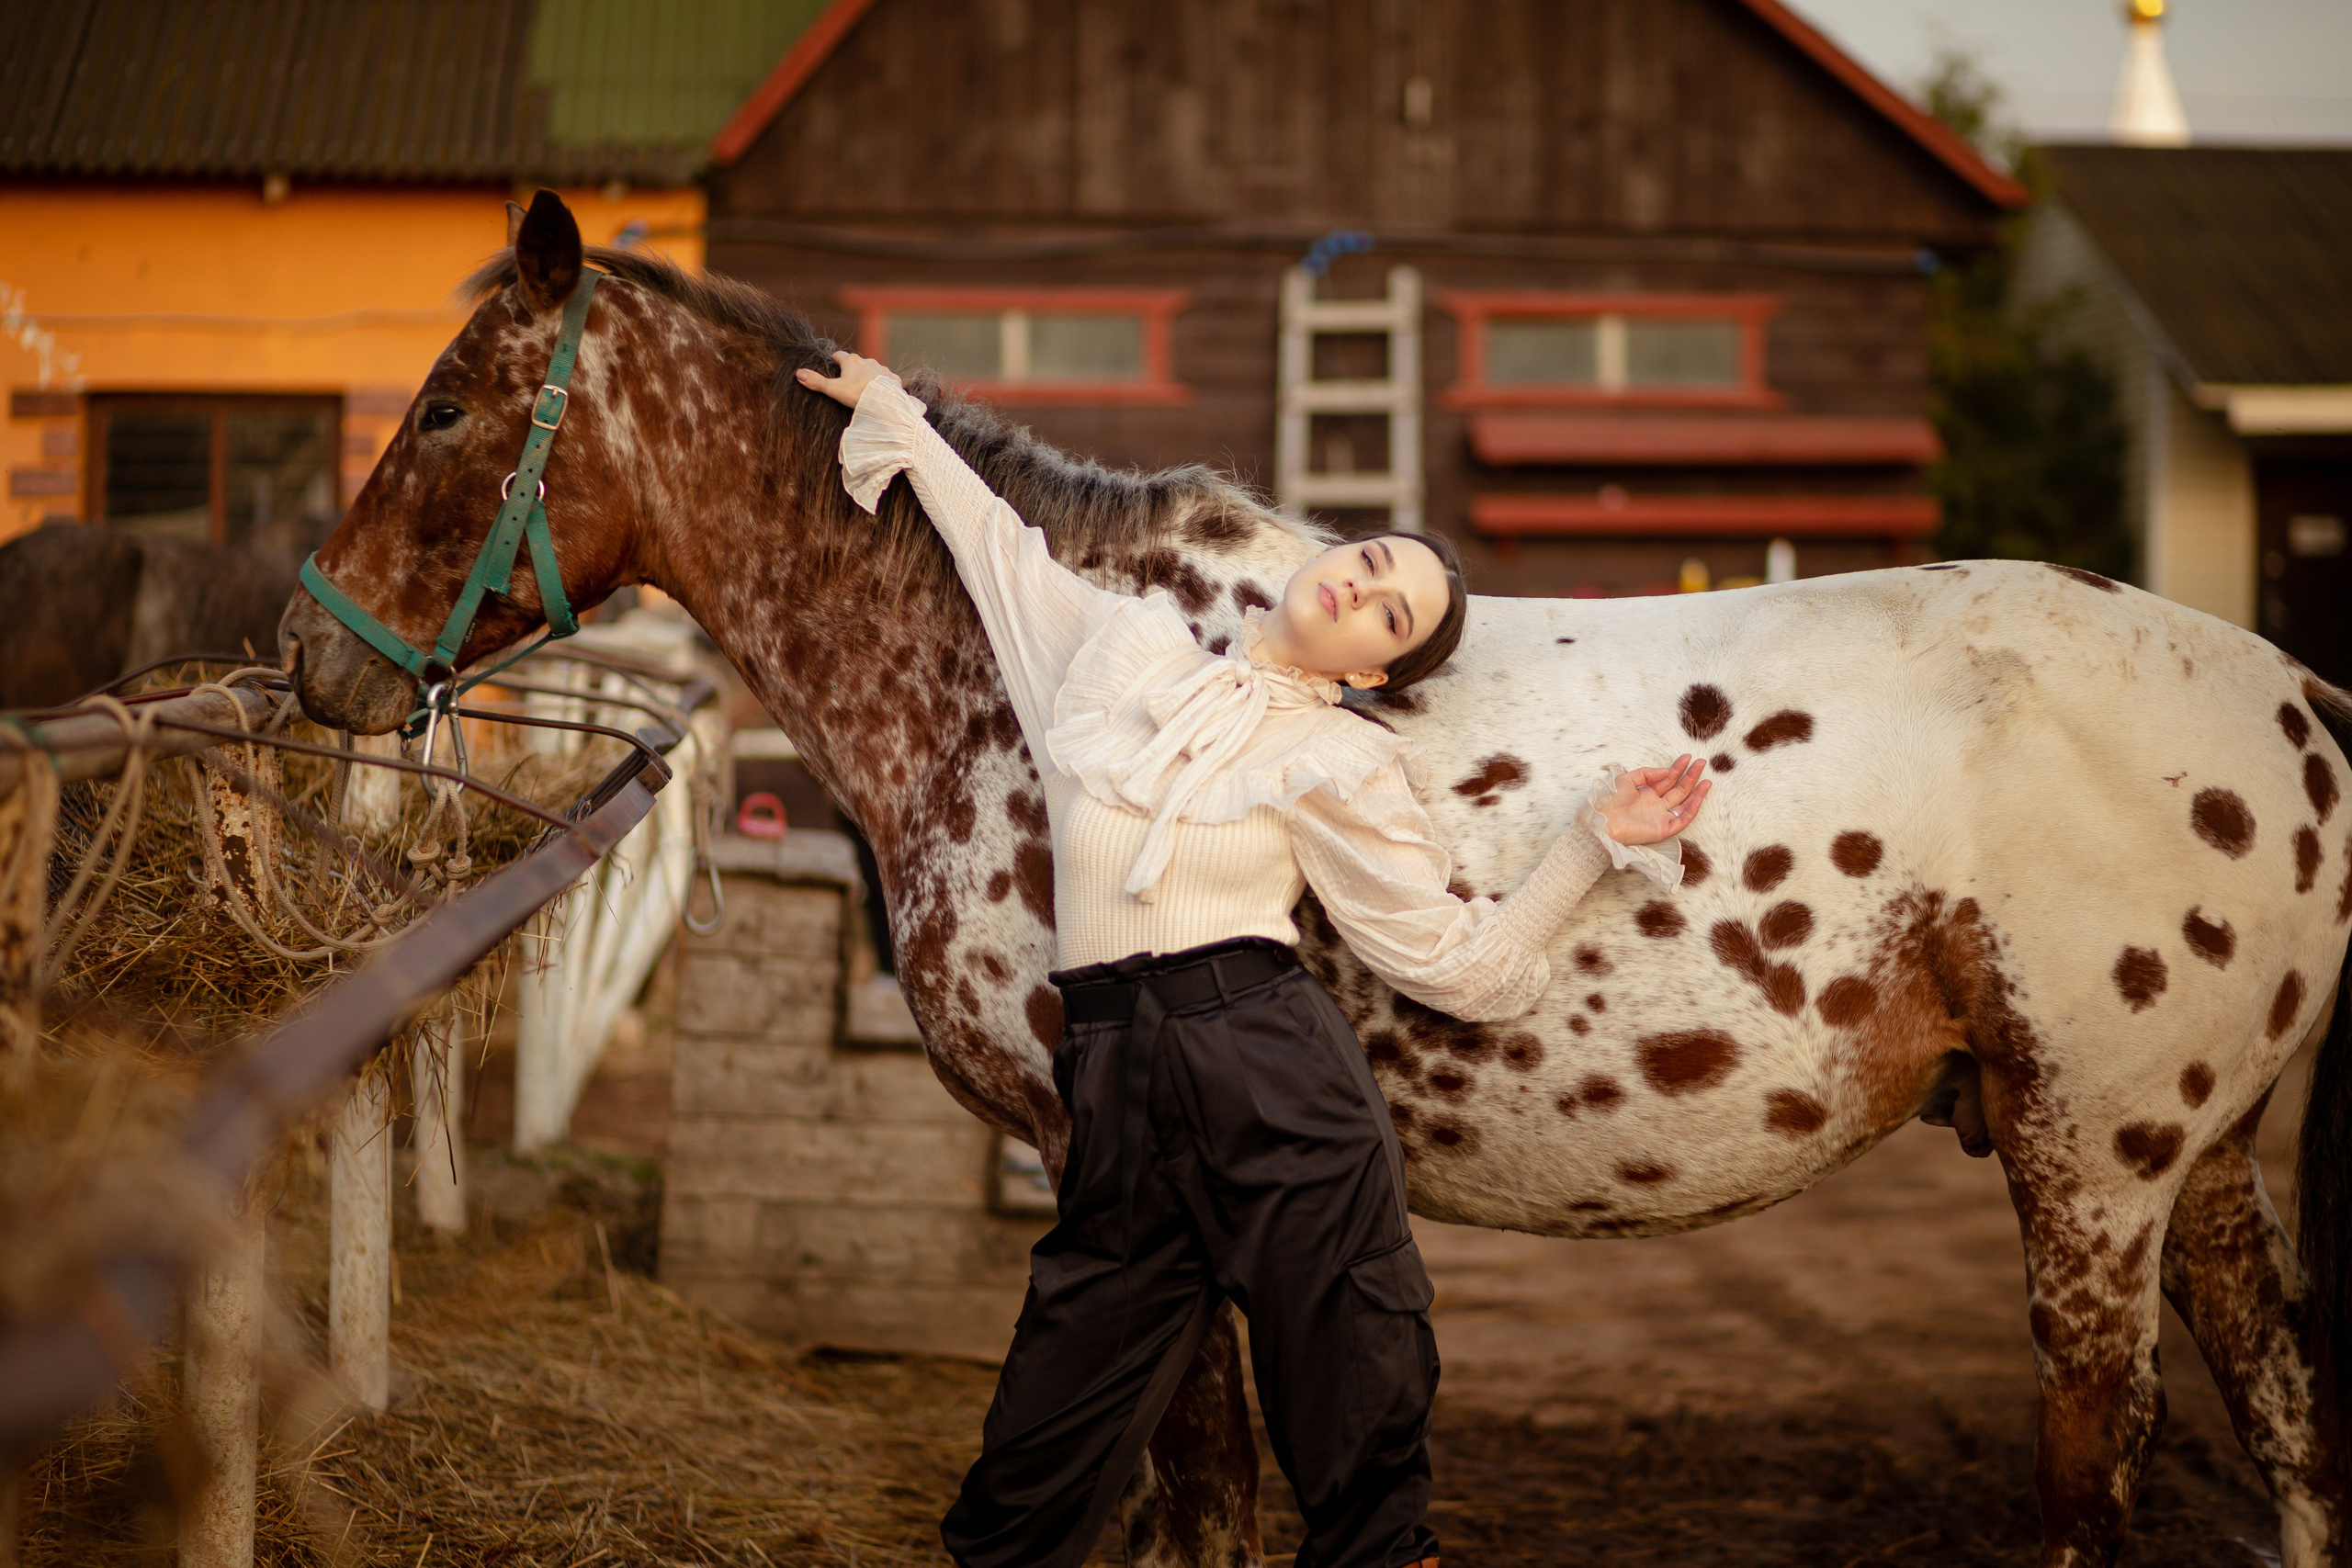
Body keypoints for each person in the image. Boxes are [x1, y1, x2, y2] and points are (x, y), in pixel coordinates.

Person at [797, 352, 1709, 1568]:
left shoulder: (1343, 763)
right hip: (1114, 1069)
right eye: (1369, 565)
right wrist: (897, 420)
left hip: (1269, 1068)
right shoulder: (1119, 654)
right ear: (1321, 561)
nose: (1363, 592)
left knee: (1353, 1372)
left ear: (1374, 672)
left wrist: (1591, 845)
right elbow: (1001, 553)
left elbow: (1457, 963)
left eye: (1392, 617)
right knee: (1053, 1412)